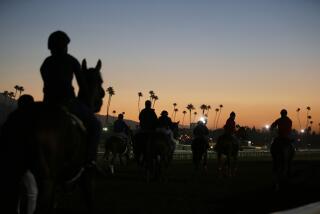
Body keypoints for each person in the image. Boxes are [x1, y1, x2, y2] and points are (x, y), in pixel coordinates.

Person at [40, 31, 101, 165]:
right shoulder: (71, 60)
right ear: (65, 46)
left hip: (47, 102)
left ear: (50, 47)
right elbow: (83, 86)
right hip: (67, 102)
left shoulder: (46, 62)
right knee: (96, 125)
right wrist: (88, 104)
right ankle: (91, 161)